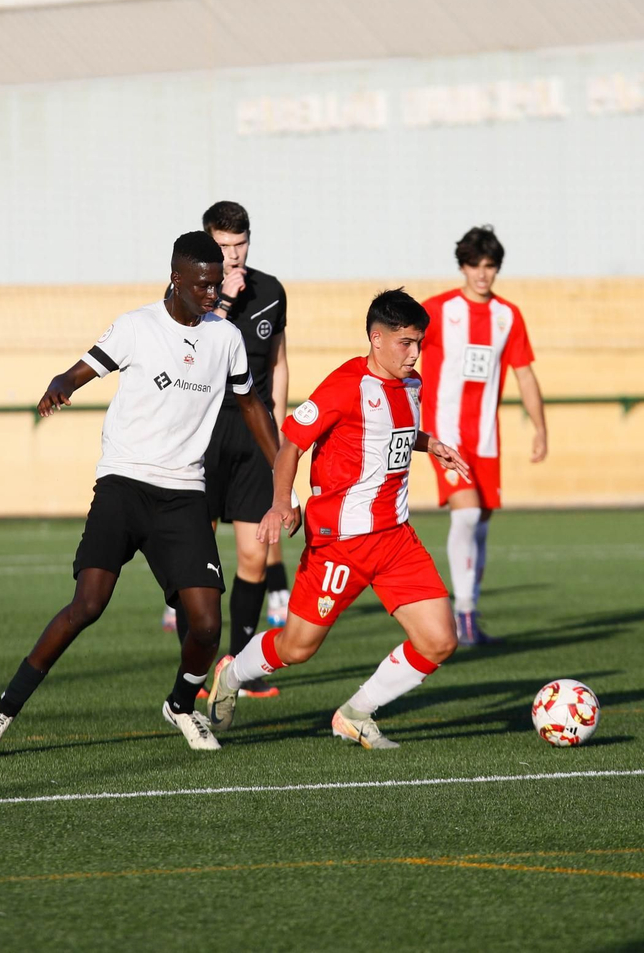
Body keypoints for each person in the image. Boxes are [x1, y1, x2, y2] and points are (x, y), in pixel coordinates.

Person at [0, 232, 287, 758]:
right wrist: (62, 384)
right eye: (203, 285)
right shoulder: (136, 327)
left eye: (216, 285)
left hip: (184, 491)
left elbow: (252, 405)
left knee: (207, 624)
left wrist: (282, 474)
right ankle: (3, 710)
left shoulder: (225, 337)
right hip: (123, 485)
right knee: (87, 605)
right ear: (177, 277)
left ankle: (182, 705)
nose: (213, 294)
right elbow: (82, 368)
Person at [205, 289, 470, 750]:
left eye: (419, 342)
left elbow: (396, 432)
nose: (415, 353)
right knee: (297, 648)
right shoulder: (345, 385)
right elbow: (291, 442)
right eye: (406, 342)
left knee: (440, 640)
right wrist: (280, 502)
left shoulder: (412, 384)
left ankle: (355, 713)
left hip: (395, 539)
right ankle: (232, 672)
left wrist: (431, 445)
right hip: (339, 544)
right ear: (376, 338)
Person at [160, 202, 291, 702]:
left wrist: (277, 433)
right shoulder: (186, 292)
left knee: (255, 554)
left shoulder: (272, 290)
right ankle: (192, 673)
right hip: (201, 430)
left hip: (254, 432)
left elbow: (278, 361)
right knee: (196, 551)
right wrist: (222, 306)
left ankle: (238, 669)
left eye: (240, 245)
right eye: (223, 247)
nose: (233, 257)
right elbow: (181, 353)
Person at [419, 226, 546, 644]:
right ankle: (464, 615)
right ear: (463, 266)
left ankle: (469, 609)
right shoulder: (437, 311)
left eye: (490, 266)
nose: (482, 274)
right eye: (475, 265)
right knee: (467, 514)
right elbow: (399, 350)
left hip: (486, 439)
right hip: (445, 434)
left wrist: (540, 427)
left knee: (481, 525)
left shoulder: (507, 316)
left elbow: (524, 373)